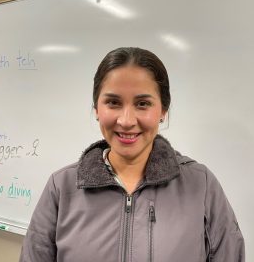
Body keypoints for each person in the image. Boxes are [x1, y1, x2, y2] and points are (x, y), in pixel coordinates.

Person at [19, 47, 245, 262]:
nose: (126, 121)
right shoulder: (62, 187)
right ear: (97, 108)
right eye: (113, 102)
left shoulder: (201, 184)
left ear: (163, 110)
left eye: (143, 103)